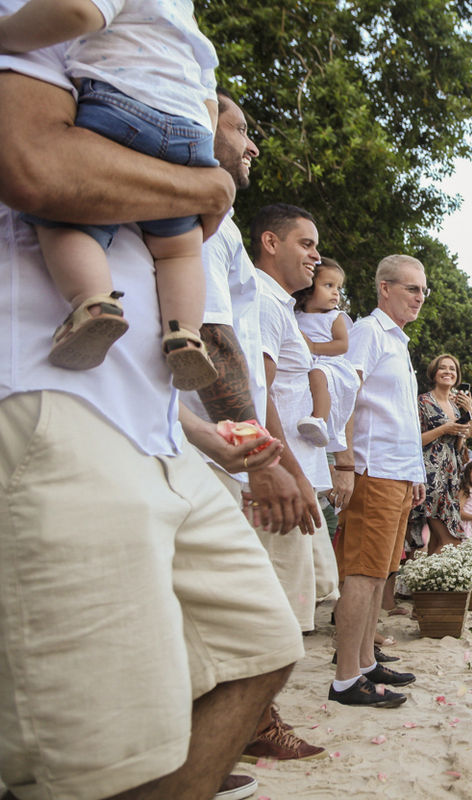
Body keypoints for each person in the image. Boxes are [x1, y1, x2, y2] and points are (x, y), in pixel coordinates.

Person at [0, 40, 302, 800]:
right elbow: (32, 166)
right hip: (55, 402)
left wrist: (211, 435)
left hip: (159, 427)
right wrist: (201, 186)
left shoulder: (179, 40)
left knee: (261, 646)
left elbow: (181, 248)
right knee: (91, 761)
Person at [184, 90, 328, 768]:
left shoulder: (226, 230)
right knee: (258, 627)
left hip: (222, 448)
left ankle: (240, 734)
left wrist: (274, 460)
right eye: (239, 128)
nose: (252, 145)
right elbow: (214, 346)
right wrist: (261, 460)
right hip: (213, 456)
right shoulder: (198, 215)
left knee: (261, 627)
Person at [0, 0, 219, 389]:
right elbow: (210, 102)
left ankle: (94, 301)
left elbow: (78, 12)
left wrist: (8, 32)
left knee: (69, 217)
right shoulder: (185, 16)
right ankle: (185, 333)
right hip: (192, 131)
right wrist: (205, 164)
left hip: (121, 103)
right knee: (181, 249)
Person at [328, 254, 427, 708]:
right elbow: (342, 394)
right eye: (412, 288)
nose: (420, 297)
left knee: (382, 572)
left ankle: (367, 661)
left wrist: (417, 475)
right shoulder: (367, 333)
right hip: (373, 470)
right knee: (363, 576)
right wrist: (344, 463)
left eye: (423, 291)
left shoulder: (399, 343)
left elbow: (402, 419)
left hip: (399, 473)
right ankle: (346, 677)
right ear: (384, 288)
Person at [250, 203, 339, 633]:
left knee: (315, 588)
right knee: (282, 614)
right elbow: (255, 393)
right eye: (306, 244)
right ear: (271, 242)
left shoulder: (282, 307)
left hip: (295, 470)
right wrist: (288, 473)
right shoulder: (262, 301)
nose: (316, 256)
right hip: (278, 475)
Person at [293, 258, 359, 450]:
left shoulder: (334, 317)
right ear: (308, 287)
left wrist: (313, 346)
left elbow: (342, 345)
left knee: (317, 374)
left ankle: (319, 420)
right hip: (305, 362)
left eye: (338, 287)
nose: (336, 293)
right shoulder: (294, 314)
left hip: (330, 365)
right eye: (329, 285)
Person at [410, 353, 472, 554]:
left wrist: (468, 411)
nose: (448, 372)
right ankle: (426, 580)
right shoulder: (422, 401)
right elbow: (413, 440)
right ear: (434, 372)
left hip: (450, 475)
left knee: (437, 541)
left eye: (452, 369)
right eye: (443, 368)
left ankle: (426, 584)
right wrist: (443, 429)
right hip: (429, 475)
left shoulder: (457, 406)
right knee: (450, 541)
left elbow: (463, 441)